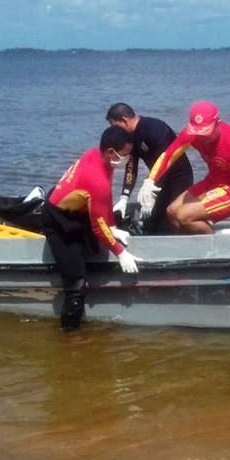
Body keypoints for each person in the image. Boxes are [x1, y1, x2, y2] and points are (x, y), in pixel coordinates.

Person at [42, 126, 142, 331]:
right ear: (110, 152)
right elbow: (98, 226)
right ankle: (70, 337)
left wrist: (112, 227)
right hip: (58, 220)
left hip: (75, 208)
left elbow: (103, 200)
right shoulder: (95, 177)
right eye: (125, 155)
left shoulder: (97, 156)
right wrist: (120, 253)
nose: (127, 159)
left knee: (97, 245)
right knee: (77, 285)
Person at [137, 101, 230, 244]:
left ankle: (215, 249)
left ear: (218, 123)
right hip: (212, 181)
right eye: (198, 133)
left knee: (183, 215)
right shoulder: (192, 134)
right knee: (171, 211)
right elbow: (168, 157)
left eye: (206, 133)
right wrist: (150, 180)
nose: (202, 138)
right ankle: (186, 251)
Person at [105, 103, 193, 234]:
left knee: (174, 217)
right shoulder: (130, 137)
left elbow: (165, 161)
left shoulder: (154, 128)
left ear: (124, 120)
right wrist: (124, 196)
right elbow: (131, 166)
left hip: (179, 178)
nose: (116, 131)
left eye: (115, 126)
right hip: (158, 181)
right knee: (151, 223)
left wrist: (151, 185)